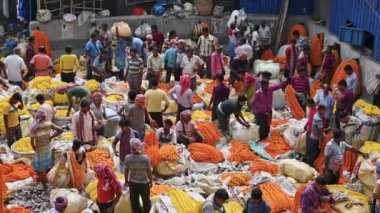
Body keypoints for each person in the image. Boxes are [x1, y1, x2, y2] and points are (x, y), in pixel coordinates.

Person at [30, 110, 63, 189]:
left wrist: (34, 148)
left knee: (39, 169)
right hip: (47, 148)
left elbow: (31, 141)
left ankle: (45, 186)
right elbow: (60, 130)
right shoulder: (48, 124)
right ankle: (46, 181)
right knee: (43, 166)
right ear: (44, 117)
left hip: (40, 149)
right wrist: (51, 137)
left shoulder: (34, 127)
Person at [124, 138, 153, 213]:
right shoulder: (146, 158)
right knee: (146, 201)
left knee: (134, 202)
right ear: (139, 147)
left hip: (133, 184)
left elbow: (126, 171)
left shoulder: (127, 158)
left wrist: (126, 181)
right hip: (144, 183)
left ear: (131, 147)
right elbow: (149, 171)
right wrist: (151, 181)